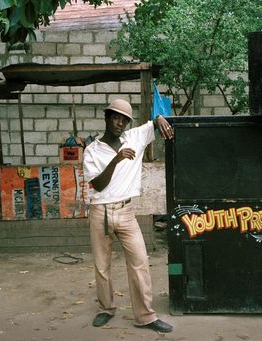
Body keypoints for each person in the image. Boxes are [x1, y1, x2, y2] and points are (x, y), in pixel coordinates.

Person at [83, 98, 174, 333]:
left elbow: (153, 123)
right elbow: (98, 185)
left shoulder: (134, 137)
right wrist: (118, 158)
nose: (120, 123)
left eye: (124, 120)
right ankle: (106, 309)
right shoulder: (92, 150)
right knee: (102, 265)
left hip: (126, 211)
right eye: (115, 117)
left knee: (140, 262)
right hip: (100, 212)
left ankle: (145, 316)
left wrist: (160, 118)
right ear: (106, 117)